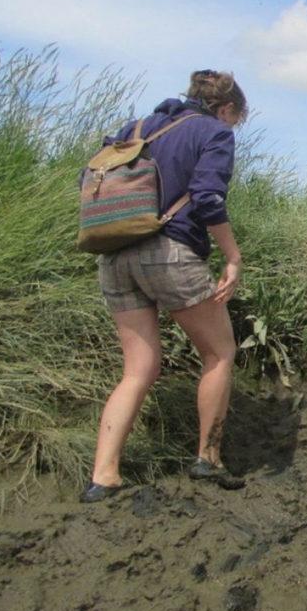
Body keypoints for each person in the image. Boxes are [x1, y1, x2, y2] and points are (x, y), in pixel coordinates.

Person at [82, 70, 248, 503]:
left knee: (137, 370)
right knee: (219, 352)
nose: (233, 128)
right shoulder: (213, 132)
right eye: (236, 120)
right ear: (226, 109)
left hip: (114, 252)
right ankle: (207, 458)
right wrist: (232, 256)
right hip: (170, 251)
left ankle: (104, 476)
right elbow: (209, 196)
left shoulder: (134, 129)